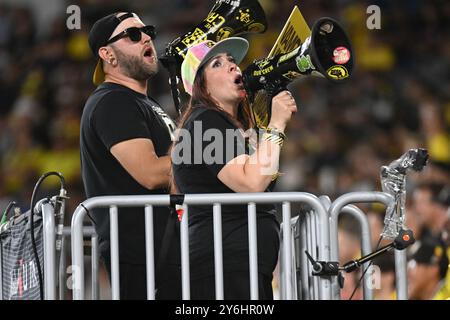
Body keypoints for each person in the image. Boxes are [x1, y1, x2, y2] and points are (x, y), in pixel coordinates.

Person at [171, 37, 297, 299]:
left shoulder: (234, 127)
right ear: (200, 87)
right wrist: (276, 125)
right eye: (217, 64)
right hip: (223, 264)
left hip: (238, 264)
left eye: (232, 60)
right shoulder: (205, 120)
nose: (232, 66)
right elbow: (251, 184)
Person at [80, 12, 180, 299]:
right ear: (107, 54)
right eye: (133, 35)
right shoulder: (114, 101)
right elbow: (151, 174)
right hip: (143, 254)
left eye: (147, 30)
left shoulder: (141, 103)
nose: (147, 37)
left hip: (161, 248)